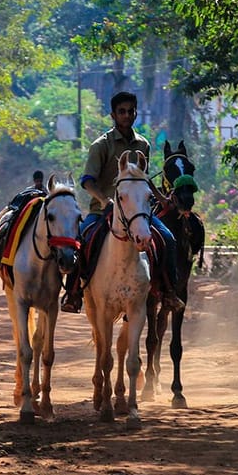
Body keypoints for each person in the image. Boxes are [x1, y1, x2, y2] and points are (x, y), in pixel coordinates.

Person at [60, 91, 186, 314]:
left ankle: (168, 293)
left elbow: (144, 179)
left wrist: (161, 199)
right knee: (81, 239)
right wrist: (104, 200)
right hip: (103, 210)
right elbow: (87, 181)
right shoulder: (101, 146)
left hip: (138, 211)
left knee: (168, 238)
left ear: (136, 113)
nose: (127, 115)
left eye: (131, 111)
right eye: (122, 112)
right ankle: (73, 293)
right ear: (113, 115)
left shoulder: (143, 145)